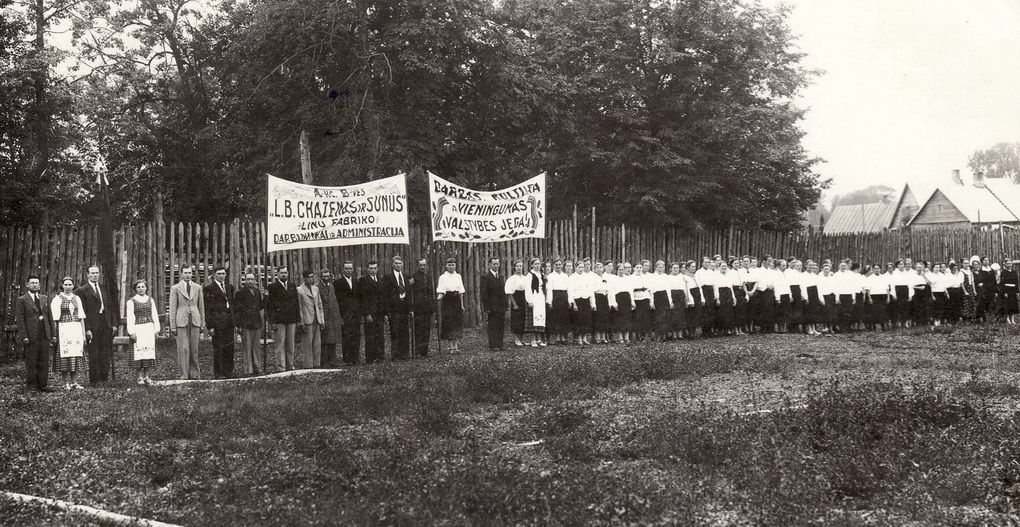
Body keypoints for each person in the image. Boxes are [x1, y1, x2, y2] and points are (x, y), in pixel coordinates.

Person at [75, 265, 116, 385]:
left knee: (105, 352)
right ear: (87, 275)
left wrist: (114, 324)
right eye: (92, 273)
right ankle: (95, 380)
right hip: (92, 326)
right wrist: (87, 328)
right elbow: (82, 311)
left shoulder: (104, 288)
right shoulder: (82, 290)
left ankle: (104, 378)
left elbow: (111, 307)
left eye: (97, 273)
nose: (95, 275)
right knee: (94, 353)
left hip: (106, 324)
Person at [16, 275, 57, 392]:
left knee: (44, 360)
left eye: (37, 283)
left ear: (39, 285)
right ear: (27, 285)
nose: (35, 285)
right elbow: (20, 320)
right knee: (32, 360)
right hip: (31, 335)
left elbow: (50, 317)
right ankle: (32, 385)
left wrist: (53, 335)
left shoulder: (45, 298)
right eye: (32, 283)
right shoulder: (22, 300)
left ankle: (43, 385)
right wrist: (24, 336)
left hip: (44, 333)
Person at [168, 264, 205, 379]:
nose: (188, 275)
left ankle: (194, 373)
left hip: (194, 320)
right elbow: (173, 308)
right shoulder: (175, 288)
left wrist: (202, 323)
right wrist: (173, 326)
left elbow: (201, 306)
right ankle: (184, 374)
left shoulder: (197, 287)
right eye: (186, 273)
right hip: (181, 321)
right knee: (183, 348)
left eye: (190, 273)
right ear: (181, 274)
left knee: (194, 348)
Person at [51, 277, 86, 390]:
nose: (68, 287)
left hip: (76, 329)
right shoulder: (57, 299)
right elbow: (55, 319)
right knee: (65, 356)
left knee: (75, 355)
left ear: (73, 286)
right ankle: (66, 382)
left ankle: (74, 382)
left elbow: (81, 317)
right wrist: (54, 335)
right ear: (62, 286)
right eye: (65, 285)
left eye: (70, 284)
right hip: (63, 329)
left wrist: (83, 334)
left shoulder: (77, 298)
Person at [125, 279, 160, 385]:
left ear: (146, 288)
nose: (141, 289)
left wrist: (156, 330)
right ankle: (139, 377)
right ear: (135, 289)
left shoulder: (150, 300)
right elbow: (130, 317)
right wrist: (132, 332)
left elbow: (154, 315)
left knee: (148, 353)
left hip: (148, 328)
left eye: (143, 287)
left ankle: (146, 376)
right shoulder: (131, 301)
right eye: (139, 287)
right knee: (138, 353)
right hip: (138, 329)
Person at [204, 266, 235, 379]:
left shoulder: (230, 287)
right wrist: (210, 326)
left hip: (229, 322)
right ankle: (219, 372)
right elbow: (208, 309)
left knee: (229, 347)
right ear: (214, 275)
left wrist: (233, 321)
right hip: (217, 323)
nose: (221, 276)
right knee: (218, 348)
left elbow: (232, 304)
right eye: (219, 274)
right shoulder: (209, 289)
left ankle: (228, 371)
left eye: (223, 274)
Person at [266, 266, 299, 371]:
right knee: (280, 343)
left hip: (291, 318)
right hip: (279, 319)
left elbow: (296, 303)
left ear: (288, 273)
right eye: (281, 273)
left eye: (285, 272)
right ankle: (281, 366)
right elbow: (269, 306)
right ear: (277, 274)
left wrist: (297, 319)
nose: (284, 275)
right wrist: (272, 321)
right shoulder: (272, 287)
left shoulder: (292, 286)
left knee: (290, 343)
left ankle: (290, 365)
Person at [381, 256, 413, 360]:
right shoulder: (388, 277)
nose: (398, 265)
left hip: (404, 307)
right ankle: (395, 355)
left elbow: (409, 293)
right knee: (395, 331)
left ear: (402, 265)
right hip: (394, 308)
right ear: (392, 265)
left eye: (400, 263)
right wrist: (387, 310)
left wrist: (410, 308)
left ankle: (405, 354)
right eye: (396, 263)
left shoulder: (406, 276)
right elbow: (385, 294)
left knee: (405, 331)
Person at [233, 272, 265, 375]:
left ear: (255, 280)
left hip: (256, 323)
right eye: (248, 279)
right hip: (246, 323)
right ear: (245, 280)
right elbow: (237, 310)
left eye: (252, 279)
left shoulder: (257, 291)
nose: (250, 281)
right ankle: (248, 370)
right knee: (247, 348)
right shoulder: (240, 293)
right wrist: (238, 325)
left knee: (256, 347)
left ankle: (257, 367)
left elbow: (260, 306)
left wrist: (266, 298)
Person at [334, 261, 362, 365]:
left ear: (353, 269)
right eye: (346, 269)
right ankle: (347, 359)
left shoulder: (356, 282)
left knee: (356, 336)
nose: (349, 271)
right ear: (343, 270)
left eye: (350, 269)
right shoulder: (338, 283)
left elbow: (359, 298)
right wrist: (340, 316)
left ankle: (356, 358)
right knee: (346, 336)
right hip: (345, 314)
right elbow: (337, 300)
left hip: (355, 314)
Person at [436, 258, 466, 353]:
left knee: (457, 323)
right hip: (447, 301)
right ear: (446, 266)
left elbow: (461, 292)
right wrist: (438, 299)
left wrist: (461, 305)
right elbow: (441, 291)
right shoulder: (443, 277)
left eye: (453, 265)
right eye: (449, 265)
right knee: (449, 323)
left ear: (455, 266)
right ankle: (451, 347)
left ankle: (456, 347)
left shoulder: (458, 276)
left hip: (456, 300)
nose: (451, 267)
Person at [297, 270, 325, 368]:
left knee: (317, 343)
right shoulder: (299, 290)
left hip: (317, 319)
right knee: (307, 344)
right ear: (304, 278)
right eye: (309, 277)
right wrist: (301, 322)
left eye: (312, 277)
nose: (311, 279)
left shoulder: (315, 289)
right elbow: (299, 308)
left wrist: (322, 320)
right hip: (307, 319)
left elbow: (320, 305)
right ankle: (308, 365)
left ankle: (317, 364)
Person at [359, 261, 385, 363]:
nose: (373, 270)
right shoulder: (363, 281)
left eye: (375, 268)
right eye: (371, 268)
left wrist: (385, 313)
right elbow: (363, 298)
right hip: (370, 313)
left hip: (380, 312)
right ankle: (370, 358)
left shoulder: (381, 280)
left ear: (377, 269)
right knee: (370, 336)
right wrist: (367, 314)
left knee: (380, 335)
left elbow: (383, 298)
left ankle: (380, 357)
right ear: (367, 269)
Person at [480, 257, 507, 351]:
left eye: (497, 264)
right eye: (494, 264)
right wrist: (486, 307)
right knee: (493, 325)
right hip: (492, 305)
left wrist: (505, 305)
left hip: (501, 305)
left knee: (501, 324)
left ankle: (500, 344)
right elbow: (484, 293)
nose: (496, 265)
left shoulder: (501, 277)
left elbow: (503, 292)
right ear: (490, 265)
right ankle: (493, 345)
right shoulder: (486, 277)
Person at [410, 258, 435, 358]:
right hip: (417, 308)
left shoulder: (428, 277)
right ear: (417, 266)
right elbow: (411, 292)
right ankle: (416, 352)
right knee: (418, 330)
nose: (422, 267)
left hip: (427, 307)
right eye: (421, 265)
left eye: (424, 265)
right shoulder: (413, 277)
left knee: (426, 330)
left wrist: (432, 308)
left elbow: (431, 292)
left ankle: (424, 352)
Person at [318, 269, 342, 367]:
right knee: (324, 340)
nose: (326, 279)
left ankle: (332, 360)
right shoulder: (317, 287)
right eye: (324, 277)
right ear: (320, 277)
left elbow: (334, 301)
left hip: (333, 316)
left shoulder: (331, 286)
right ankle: (324, 361)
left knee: (333, 339)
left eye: (328, 276)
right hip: (324, 316)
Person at [505, 260, 529, 346]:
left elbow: (527, 290)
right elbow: (509, 293)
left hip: (523, 298)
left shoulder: (524, 278)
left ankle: (521, 339)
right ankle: (516, 339)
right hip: (516, 298)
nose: (519, 268)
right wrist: (514, 304)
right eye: (517, 266)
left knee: (523, 319)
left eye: (520, 266)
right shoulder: (512, 279)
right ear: (514, 267)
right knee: (516, 319)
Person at [525, 257, 547, 347]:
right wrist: (529, 300)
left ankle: (539, 339)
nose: (537, 266)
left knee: (540, 318)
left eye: (538, 264)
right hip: (533, 296)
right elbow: (527, 288)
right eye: (535, 264)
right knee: (533, 318)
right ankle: (533, 340)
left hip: (540, 297)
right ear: (531, 265)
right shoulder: (530, 275)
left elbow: (544, 287)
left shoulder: (541, 274)